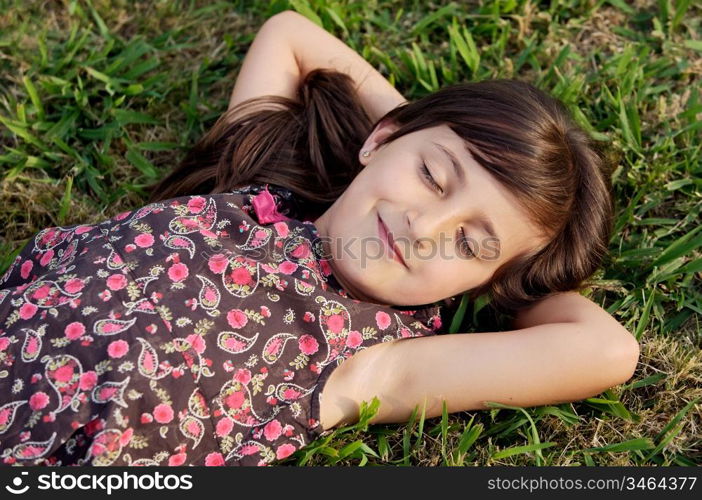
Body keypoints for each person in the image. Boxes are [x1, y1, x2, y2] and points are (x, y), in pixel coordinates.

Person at [0, 10, 639, 466]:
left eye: (469, 243)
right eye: (432, 176)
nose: (423, 227)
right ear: (381, 137)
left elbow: (607, 349)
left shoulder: (374, 360)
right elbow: (291, 33)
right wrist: (404, 133)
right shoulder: (248, 190)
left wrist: (506, 274)